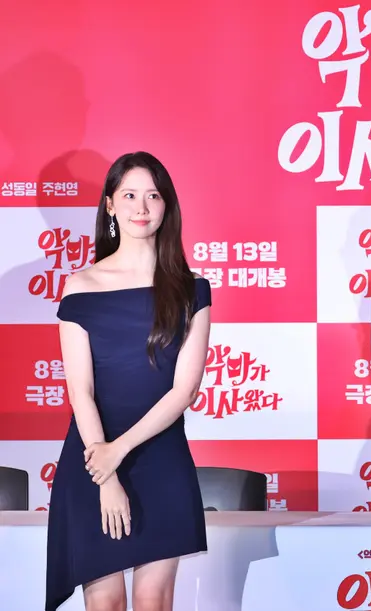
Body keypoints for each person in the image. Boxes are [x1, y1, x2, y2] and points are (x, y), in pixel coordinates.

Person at [45, 151, 211, 611]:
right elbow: (80, 391)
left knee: (153, 600)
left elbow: (184, 390)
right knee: (105, 604)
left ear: (166, 205)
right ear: (110, 205)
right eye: (130, 195)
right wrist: (106, 470)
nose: (142, 207)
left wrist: (118, 451)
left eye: (153, 196)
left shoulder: (191, 288)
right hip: (91, 456)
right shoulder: (81, 285)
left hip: (160, 455)